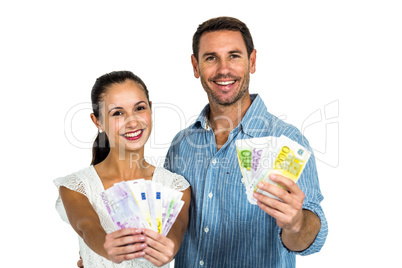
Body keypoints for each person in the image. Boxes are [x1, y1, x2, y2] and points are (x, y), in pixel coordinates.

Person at [164, 16, 328, 267]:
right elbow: (165, 228)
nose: (223, 69)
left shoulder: (287, 141)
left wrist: (296, 223)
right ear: (195, 66)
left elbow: (308, 238)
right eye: (211, 58)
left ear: (251, 61)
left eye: (234, 56)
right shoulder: (181, 145)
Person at [54, 71, 191, 267]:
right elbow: (86, 225)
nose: (133, 121)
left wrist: (169, 246)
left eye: (140, 108)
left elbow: (176, 227)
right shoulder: (76, 187)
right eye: (117, 113)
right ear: (97, 121)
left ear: (151, 110)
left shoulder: (175, 187)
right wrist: (106, 245)